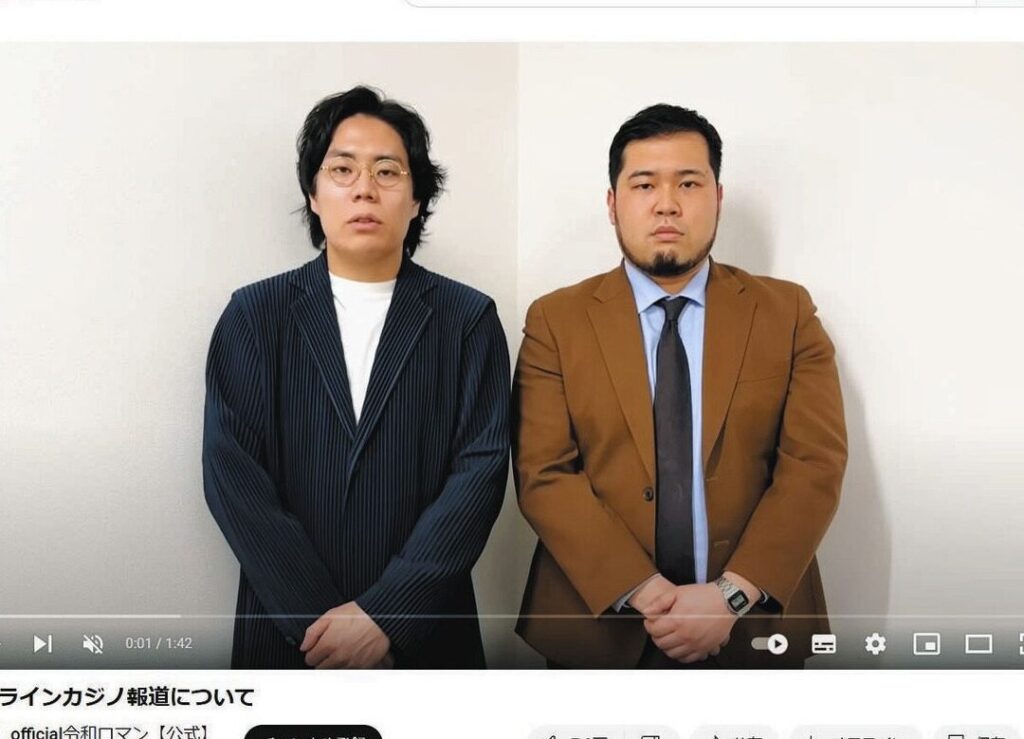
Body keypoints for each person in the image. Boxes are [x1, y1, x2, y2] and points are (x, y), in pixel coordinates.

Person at [513, 103, 848, 668]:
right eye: (644, 184)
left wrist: (730, 597)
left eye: (688, 183)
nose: (667, 203)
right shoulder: (556, 320)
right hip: (598, 628)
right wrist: (650, 596)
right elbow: (543, 473)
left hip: (752, 628)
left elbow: (814, 466)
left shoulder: (787, 312)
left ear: (717, 197)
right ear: (613, 204)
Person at [203, 86, 510, 669]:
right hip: (291, 640)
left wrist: (387, 618)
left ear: (417, 199)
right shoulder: (254, 316)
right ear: (313, 195)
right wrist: (323, 627)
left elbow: (480, 475)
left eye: (387, 171)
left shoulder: (467, 319)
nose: (364, 188)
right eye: (342, 169)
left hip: (427, 636)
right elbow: (232, 478)